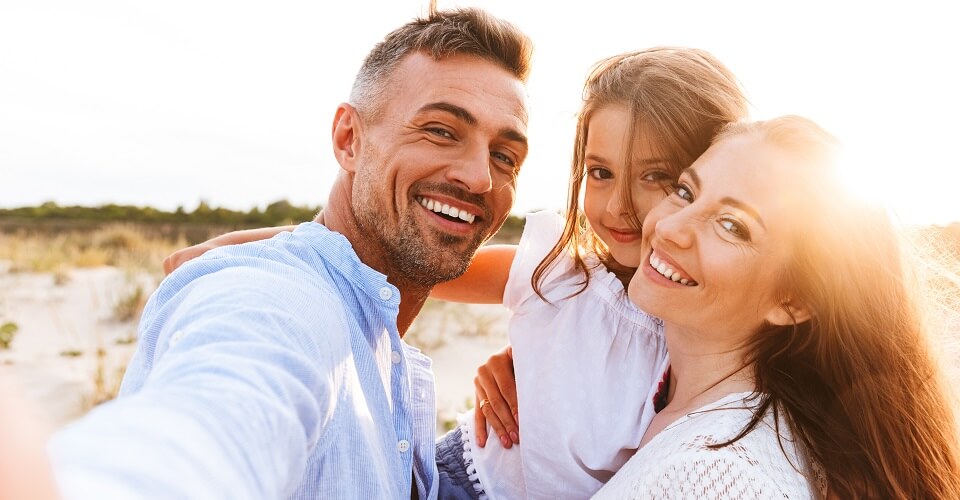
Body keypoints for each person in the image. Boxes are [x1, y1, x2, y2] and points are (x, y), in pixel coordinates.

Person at [164, 47, 750, 499]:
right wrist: (253, 247)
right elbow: (387, 259)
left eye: (656, 178)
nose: (618, 207)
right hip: (465, 482)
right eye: (599, 173)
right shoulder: (562, 270)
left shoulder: (714, 329)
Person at [46, 7, 534, 499]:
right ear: (349, 140)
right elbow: (213, 420)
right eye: (441, 131)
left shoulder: (378, 335)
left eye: (504, 156)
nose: (479, 177)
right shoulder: (281, 304)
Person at [592, 115, 960, 498]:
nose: (669, 228)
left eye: (732, 226)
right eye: (686, 191)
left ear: (794, 301)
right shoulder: (683, 403)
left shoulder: (714, 477)